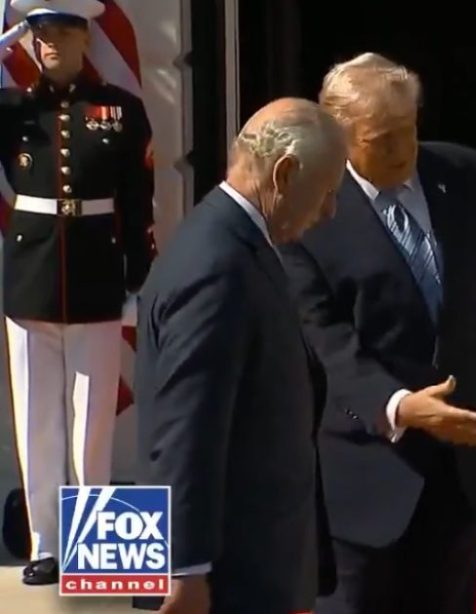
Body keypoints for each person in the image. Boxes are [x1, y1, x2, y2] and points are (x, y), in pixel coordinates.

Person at [281, 52, 476, 614]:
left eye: (410, 130)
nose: (403, 151)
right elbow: (325, 340)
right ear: (339, 137)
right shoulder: (308, 211)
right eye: (382, 139)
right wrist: (399, 406)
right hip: (366, 476)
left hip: (464, 470)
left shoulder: (470, 177)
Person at [133, 98, 346, 612]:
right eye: (327, 192)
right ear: (285, 173)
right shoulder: (218, 264)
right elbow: (188, 427)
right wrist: (183, 569)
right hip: (228, 579)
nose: (329, 211)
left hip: (253, 566)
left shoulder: (237, 243)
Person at [0, 0, 153, 586]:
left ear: (86, 37)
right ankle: (46, 543)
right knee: (37, 419)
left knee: (91, 423)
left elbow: (138, 201)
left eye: (63, 33)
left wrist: (139, 273)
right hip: (30, 278)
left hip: (94, 276)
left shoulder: (119, 110)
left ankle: (93, 545)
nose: (50, 46)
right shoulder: (12, 108)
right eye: (40, 35)